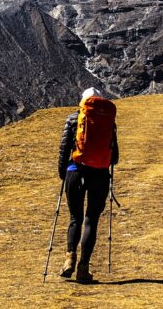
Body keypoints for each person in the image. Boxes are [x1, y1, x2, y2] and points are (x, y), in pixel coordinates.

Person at [58, 87, 119, 283]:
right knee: (91, 220)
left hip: (75, 172)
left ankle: (69, 260)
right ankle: (83, 268)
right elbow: (115, 157)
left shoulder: (73, 119)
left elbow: (64, 149)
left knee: (75, 217)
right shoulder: (109, 122)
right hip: (99, 176)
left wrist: (63, 174)